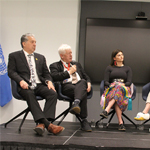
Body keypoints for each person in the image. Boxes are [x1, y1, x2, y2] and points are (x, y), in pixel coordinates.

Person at [8, 33, 64, 136]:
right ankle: (49, 125)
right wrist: (20, 81)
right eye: (32, 42)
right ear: (24, 43)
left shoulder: (40, 57)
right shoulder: (14, 56)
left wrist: (49, 81)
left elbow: (46, 73)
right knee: (30, 94)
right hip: (25, 86)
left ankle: (42, 124)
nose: (35, 44)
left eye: (35, 42)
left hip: (39, 85)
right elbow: (11, 72)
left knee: (52, 93)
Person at [49, 44, 92, 132]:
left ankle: (76, 103)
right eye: (69, 53)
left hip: (79, 85)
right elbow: (55, 77)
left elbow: (85, 76)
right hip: (66, 87)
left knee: (83, 82)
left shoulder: (76, 64)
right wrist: (69, 72)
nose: (71, 55)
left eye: (71, 53)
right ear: (62, 56)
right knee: (81, 92)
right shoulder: (54, 65)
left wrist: (89, 82)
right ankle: (84, 120)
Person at [100, 49, 132, 131]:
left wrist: (122, 84)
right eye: (119, 55)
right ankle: (120, 123)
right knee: (117, 93)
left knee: (119, 88)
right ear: (114, 58)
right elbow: (106, 81)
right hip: (112, 88)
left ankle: (106, 110)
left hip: (124, 88)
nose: (121, 56)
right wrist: (113, 85)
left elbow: (129, 82)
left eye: (122, 55)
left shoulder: (127, 68)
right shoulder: (109, 68)